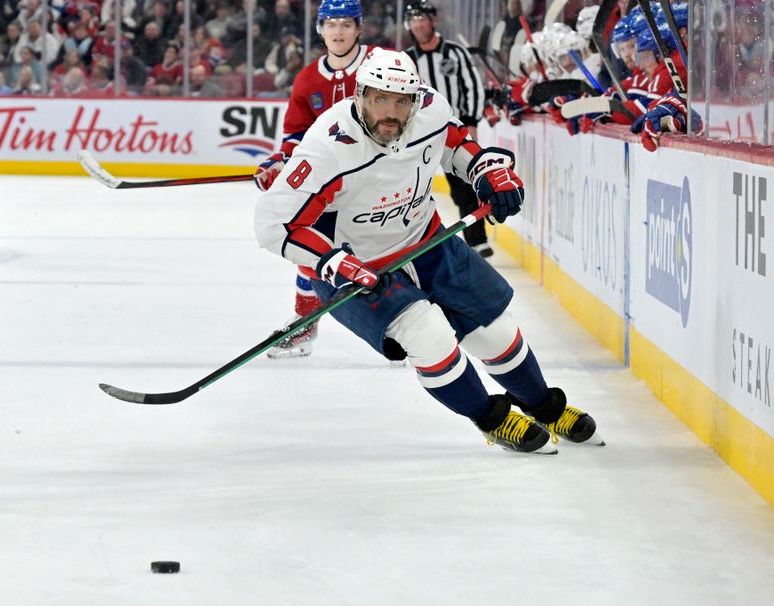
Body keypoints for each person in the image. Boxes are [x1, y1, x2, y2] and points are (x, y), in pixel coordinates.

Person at [254, 49, 602, 454]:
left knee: (495, 332)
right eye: (380, 99)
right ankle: (492, 419)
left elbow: (456, 146)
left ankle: (544, 406)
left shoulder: (431, 110)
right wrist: (332, 261)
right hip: (359, 270)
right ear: (360, 95)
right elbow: (273, 224)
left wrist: (487, 171)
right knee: (430, 336)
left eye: (401, 101)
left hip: (426, 242)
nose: (391, 113)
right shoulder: (327, 146)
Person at [253, 0, 375, 359]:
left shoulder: (378, 64)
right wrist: (279, 161)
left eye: (346, 24)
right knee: (308, 246)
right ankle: (306, 322)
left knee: (388, 255)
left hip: (379, 180)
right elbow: (297, 136)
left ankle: (413, 326)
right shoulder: (308, 79)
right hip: (330, 186)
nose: (338, 31)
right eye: (331, 24)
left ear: (359, 28)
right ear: (320, 30)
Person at [403, 1, 492, 258]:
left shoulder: (455, 53)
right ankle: (408, 245)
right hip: (418, 136)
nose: (418, 25)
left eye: (422, 19)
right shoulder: (408, 58)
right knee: (409, 189)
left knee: (465, 187)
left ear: (433, 21)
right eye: (413, 20)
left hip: (455, 133)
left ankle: (477, 242)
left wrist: (471, 121)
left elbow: (473, 87)